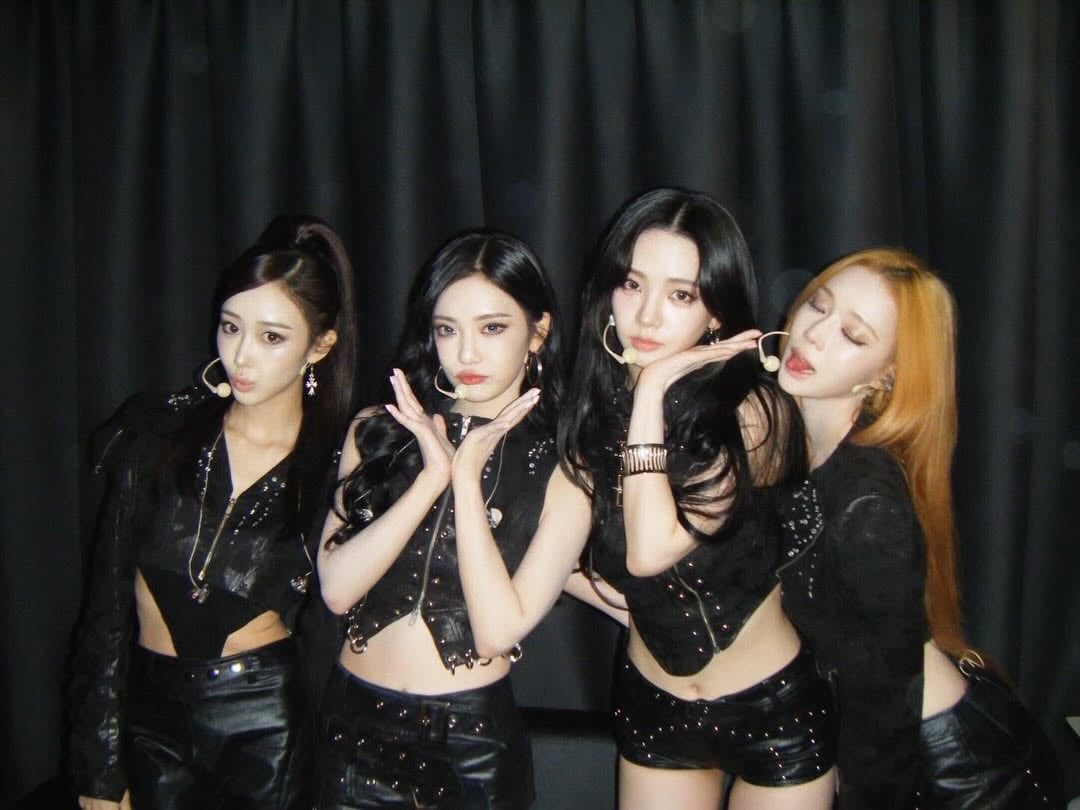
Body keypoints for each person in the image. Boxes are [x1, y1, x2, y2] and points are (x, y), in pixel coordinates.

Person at [559, 187, 837, 810]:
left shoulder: (753, 411)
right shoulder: (589, 410)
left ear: (716, 312)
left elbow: (652, 550)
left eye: (680, 295)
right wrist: (625, 606)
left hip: (772, 710)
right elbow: (559, 555)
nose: (647, 316)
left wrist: (652, 391)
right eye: (631, 284)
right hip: (652, 709)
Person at [68, 215, 358, 810]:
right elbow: (106, 609)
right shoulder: (157, 435)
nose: (240, 355)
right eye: (230, 327)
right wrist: (97, 764)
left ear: (320, 346)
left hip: (265, 721)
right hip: (148, 712)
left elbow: (333, 634)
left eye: (272, 337)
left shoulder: (336, 466)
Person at [774, 247, 1065, 808]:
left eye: (853, 335)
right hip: (900, 748)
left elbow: (884, 707)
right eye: (817, 306)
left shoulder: (867, 498)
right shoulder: (799, 444)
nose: (813, 335)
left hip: (957, 775)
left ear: (886, 374)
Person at [314, 231, 592, 809]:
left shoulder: (566, 466)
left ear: (537, 332)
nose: (465, 355)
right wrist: (430, 479)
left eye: (492, 328)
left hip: (470, 743)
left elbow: (497, 632)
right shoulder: (378, 429)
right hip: (351, 725)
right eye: (447, 329)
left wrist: (466, 481)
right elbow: (337, 590)